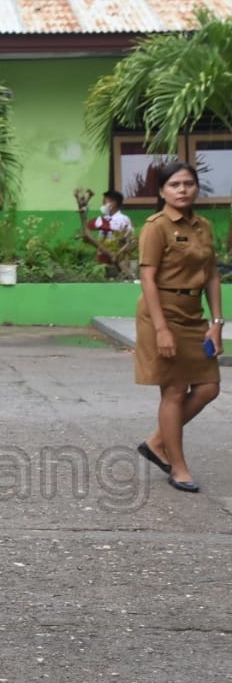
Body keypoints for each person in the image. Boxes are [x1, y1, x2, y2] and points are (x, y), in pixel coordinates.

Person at [134, 161, 221, 493]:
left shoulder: (203, 226)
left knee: (208, 387)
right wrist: (161, 330)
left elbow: (212, 276)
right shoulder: (156, 227)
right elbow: (148, 278)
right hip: (163, 313)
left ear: (196, 187)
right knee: (173, 391)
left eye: (188, 183)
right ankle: (178, 466)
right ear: (162, 192)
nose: (182, 190)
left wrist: (216, 323)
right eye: (174, 185)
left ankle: (157, 441)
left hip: (193, 315)